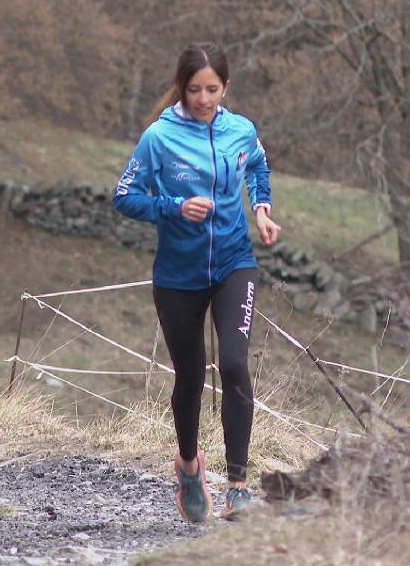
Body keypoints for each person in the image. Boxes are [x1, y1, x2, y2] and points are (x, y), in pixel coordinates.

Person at [112, 42, 281, 522]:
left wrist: (262, 211)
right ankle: (188, 466)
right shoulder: (158, 138)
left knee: (233, 363)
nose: (204, 99)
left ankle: (238, 487)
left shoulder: (241, 130)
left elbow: (258, 168)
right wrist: (172, 207)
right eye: (194, 90)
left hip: (234, 262)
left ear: (225, 87)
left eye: (212, 89)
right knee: (190, 376)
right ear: (180, 88)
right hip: (178, 274)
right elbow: (124, 197)